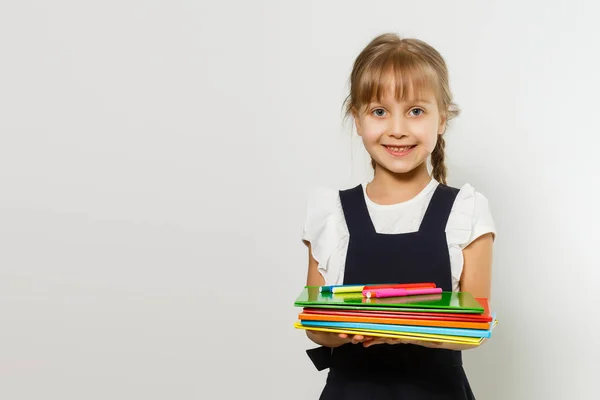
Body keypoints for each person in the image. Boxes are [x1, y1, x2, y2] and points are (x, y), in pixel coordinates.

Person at [301, 33, 496, 399]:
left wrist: (404, 329)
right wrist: (342, 330)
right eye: (379, 111)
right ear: (357, 119)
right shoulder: (330, 214)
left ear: (442, 119)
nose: (397, 128)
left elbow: (475, 328)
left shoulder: (466, 211)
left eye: (416, 111)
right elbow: (316, 324)